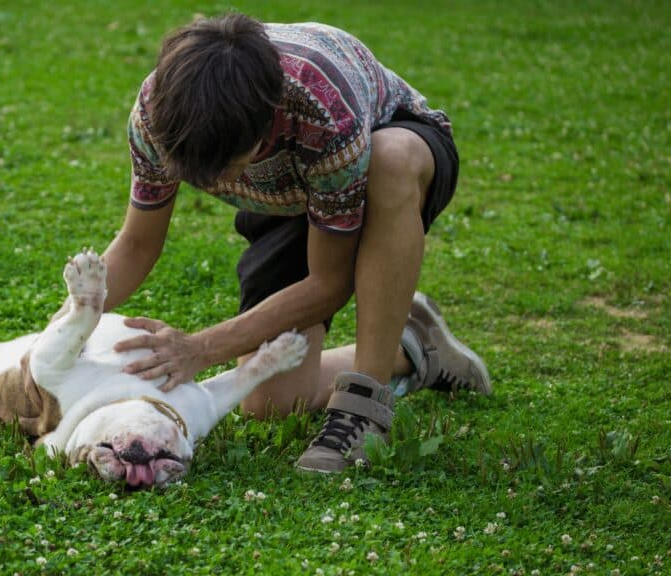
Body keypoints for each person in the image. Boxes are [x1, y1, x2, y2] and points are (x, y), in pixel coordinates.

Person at [91, 13, 490, 473]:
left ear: (264, 128)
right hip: (291, 196)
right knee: (271, 402)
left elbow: (328, 281)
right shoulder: (160, 113)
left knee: (391, 159)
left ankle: (363, 408)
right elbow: (137, 245)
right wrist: (57, 334)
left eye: (226, 168)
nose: (215, 182)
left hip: (389, 153)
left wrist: (200, 347)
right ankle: (415, 345)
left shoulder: (323, 108)